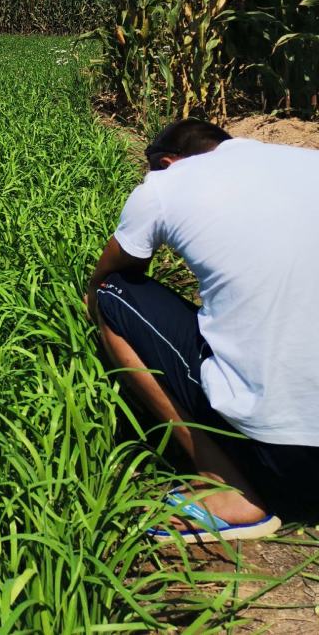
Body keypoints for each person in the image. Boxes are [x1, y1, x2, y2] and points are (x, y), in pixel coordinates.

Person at [87, 117, 319, 543]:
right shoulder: (307, 162)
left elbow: (110, 274)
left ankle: (227, 487)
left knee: (112, 294)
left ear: (168, 162)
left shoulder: (164, 185)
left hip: (286, 463)